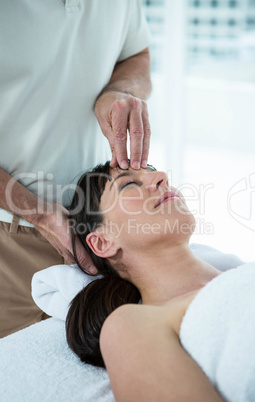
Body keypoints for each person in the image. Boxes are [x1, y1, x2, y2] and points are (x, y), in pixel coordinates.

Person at [0, 1, 152, 337]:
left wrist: (118, 91)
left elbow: (136, 54)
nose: (160, 179)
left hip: (92, 230)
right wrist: (39, 214)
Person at [66, 161, 227, 401]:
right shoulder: (129, 327)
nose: (162, 176)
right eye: (129, 184)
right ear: (102, 242)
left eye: (154, 172)